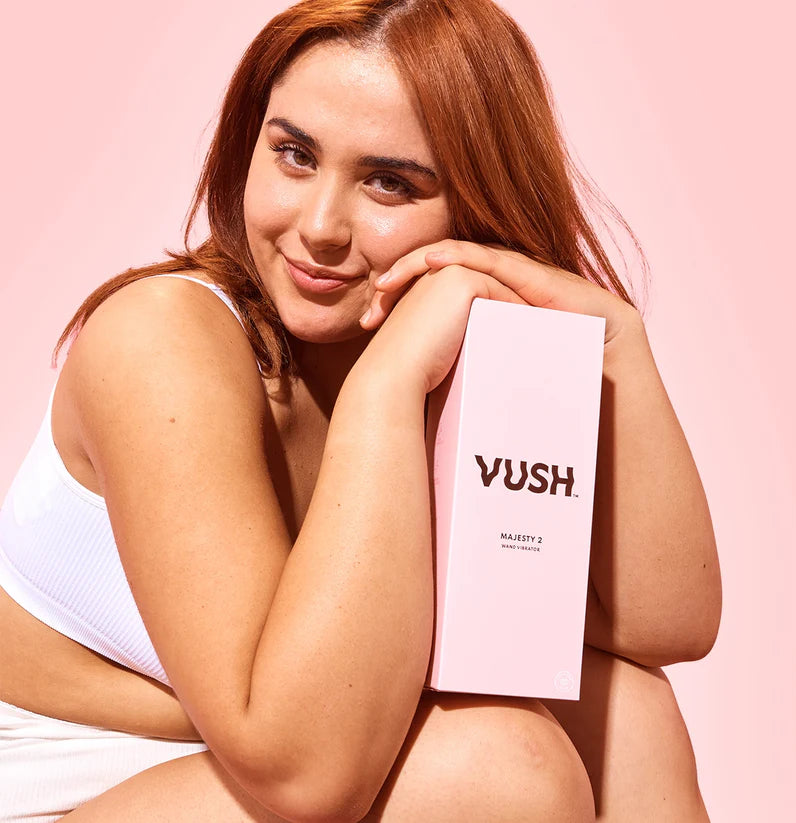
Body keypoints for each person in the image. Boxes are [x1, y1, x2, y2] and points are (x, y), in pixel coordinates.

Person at [0, 0, 722, 820]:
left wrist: (617, 340)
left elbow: (662, 625)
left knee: (629, 714)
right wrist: (385, 388)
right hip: (57, 788)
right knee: (501, 767)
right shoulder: (162, 337)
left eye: (389, 182)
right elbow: (301, 775)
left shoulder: (466, 353)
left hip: (236, 772)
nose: (319, 228)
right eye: (294, 155)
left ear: (478, 203)